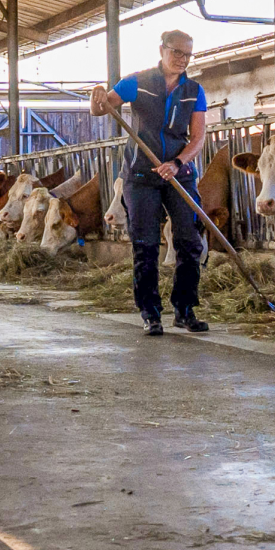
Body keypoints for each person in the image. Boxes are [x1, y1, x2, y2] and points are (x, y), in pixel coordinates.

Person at [89, 30, 208, 336]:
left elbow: (197, 138)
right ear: (162, 50)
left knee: (190, 241)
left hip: (178, 173)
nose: (182, 60)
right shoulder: (137, 82)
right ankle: (150, 313)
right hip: (141, 173)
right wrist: (98, 94)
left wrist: (178, 163)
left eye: (187, 55)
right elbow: (101, 109)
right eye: (176, 52)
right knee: (146, 244)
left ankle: (184, 309)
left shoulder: (194, 90)